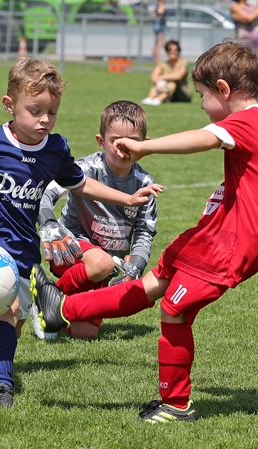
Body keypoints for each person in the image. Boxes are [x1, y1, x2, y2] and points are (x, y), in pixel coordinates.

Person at [30, 40, 258, 423]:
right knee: (151, 285)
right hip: (213, 237)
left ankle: (176, 404)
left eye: (203, 95)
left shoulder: (246, 122)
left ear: (223, 89)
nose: (201, 104)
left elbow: (205, 138)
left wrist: (147, 147)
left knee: (174, 309)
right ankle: (60, 309)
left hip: (228, 246)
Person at [0, 58, 163, 407]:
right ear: (9, 105)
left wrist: (127, 198)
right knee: (8, 311)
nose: (44, 120)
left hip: (26, 250)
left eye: (51, 112)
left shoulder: (55, 149)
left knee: (15, 323)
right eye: (35, 111)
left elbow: (81, 184)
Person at [35, 100, 158, 340]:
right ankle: (48, 298)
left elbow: (145, 231)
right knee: (101, 263)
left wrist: (137, 265)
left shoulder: (145, 184)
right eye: (116, 141)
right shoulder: (85, 169)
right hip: (69, 250)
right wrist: (48, 223)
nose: (123, 149)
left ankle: (61, 303)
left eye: (132, 141)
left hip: (107, 267)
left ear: (144, 145)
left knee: (85, 333)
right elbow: (46, 194)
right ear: (101, 141)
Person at [231, 0, 258, 104]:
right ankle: (242, 98)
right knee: (244, 71)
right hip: (245, 44)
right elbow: (249, 18)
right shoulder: (235, 7)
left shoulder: (252, 7)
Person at [141, 40, 192, 106]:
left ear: (179, 51)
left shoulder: (183, 63)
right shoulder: (163, 64)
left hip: (182, 93)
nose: (172, 52)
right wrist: (161, 85)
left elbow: (178, 76)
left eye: (175, 50)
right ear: (166, 51)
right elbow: (153, 76)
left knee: (172, 84)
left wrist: (161, 77)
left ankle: (158, 100)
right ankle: (150, 98)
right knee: (156, 84)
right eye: (169, 49)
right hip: (167, 90)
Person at [150, 0, 166, 64]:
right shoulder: (161, 5)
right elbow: (160, 12)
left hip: (157, 27)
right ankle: (157, 59)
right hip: (160, 28)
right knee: (159, 44)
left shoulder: (156, 6)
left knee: (156, 44)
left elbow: (153, 13)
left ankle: (154, 59)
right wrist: (159, 17)